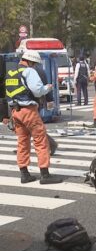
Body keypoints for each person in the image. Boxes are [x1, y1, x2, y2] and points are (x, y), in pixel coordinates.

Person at [5, 50, 62, 184]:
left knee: (23, 142)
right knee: (40, 141)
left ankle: (24, 174)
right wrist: (47, 88)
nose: (35, 66)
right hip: (29, 111)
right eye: (35, 63)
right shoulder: (29, 71)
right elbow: (37, 91)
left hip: (16, 112)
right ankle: (45, 175)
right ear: (30, 61)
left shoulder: (11, 73)